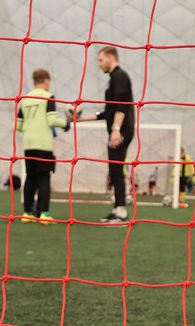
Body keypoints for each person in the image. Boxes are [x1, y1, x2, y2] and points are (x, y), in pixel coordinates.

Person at [76, 46, 135, 223]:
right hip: (118, 128)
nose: (99, 64)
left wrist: (116, 129)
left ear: (110, 57)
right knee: (114, 170)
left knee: (116, 169)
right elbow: (108, 111)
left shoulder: (119, 76)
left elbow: (122, 104)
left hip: (121, 129)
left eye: (101, 60)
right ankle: (117, 209)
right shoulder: (113, 79)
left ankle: (121, 212)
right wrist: (82, 119)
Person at [16, 68, 69, 225]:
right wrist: (66, 123)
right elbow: (52, 120)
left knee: (30, 177)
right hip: (43, 144)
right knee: (44, 178)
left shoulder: (25, 99)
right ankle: (44, 215)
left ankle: (27, 214)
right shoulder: (48, 97)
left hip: (29, 144)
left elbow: (18, 125)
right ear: (46, 81)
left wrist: (31, 128)